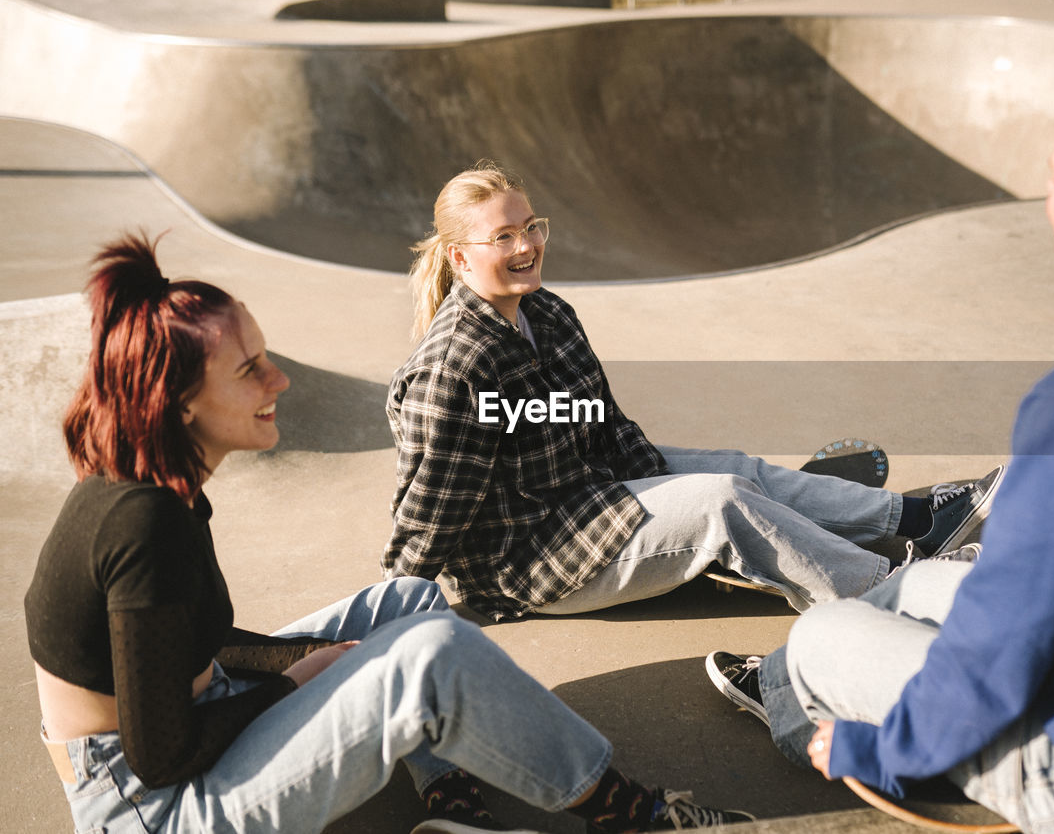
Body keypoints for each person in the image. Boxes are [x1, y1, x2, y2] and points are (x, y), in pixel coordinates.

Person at [705, 69, 1054, 833]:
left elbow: (998, 658)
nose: (1048, 200)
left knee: (820, 640)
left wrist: (879, 751)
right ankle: (778, 679)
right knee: (924, 584)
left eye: (1052, 180)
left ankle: (800, 707)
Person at [24, 233, 753, 834]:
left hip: (194, 713)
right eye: (249, 370)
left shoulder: (160, 488)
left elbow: (187, 645)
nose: (278, 381)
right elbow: (161, 756)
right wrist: (288, 681)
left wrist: (306, 658)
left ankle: (448, 800)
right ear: (179, 404)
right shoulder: (142, 523)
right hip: (153, 810)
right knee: (431, 655)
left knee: (405, 601)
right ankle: (630, 813)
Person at [382, 161, 1003, 622]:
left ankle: (919, 518)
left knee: (735, 470)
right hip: (536, 559)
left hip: (592, 488)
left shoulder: (546, 312)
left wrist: (658, 480)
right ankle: (895, 589)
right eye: (503, 237)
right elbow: (434, 504)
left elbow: (602, 420)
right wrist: (392, 601)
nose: (527, 246)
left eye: (531, 226)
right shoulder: (454, 367)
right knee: (721, 502)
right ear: (460, 260)